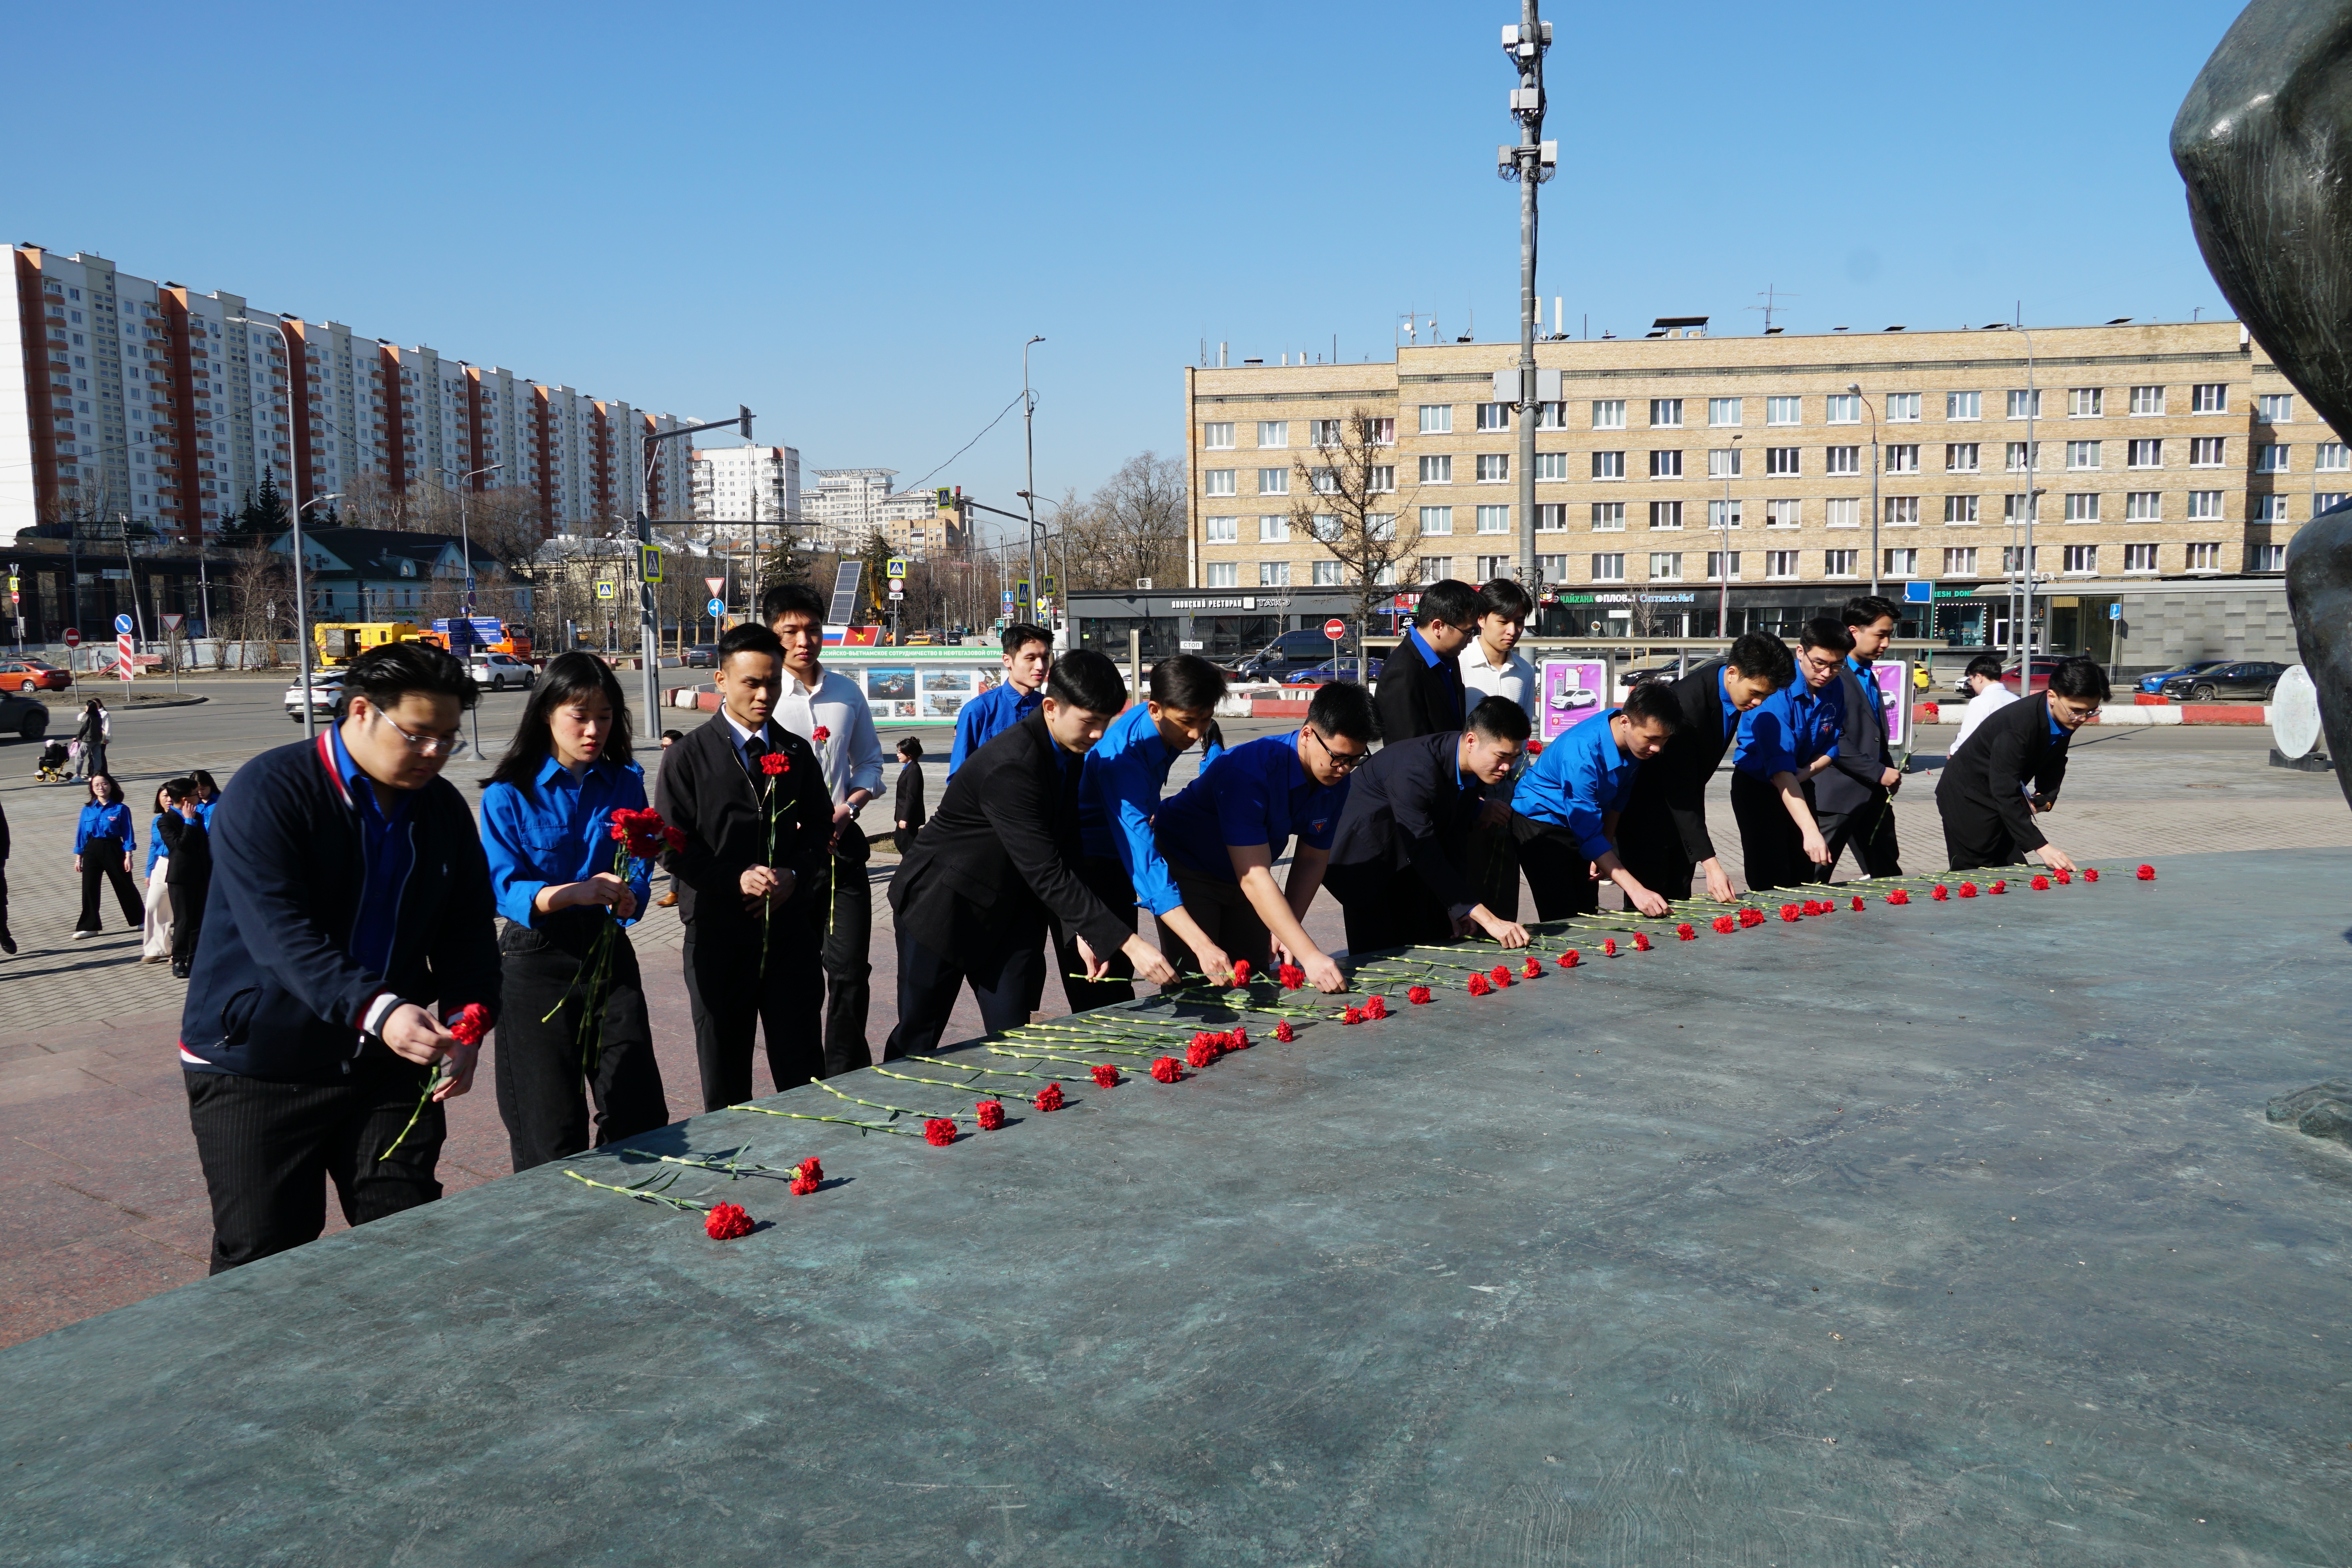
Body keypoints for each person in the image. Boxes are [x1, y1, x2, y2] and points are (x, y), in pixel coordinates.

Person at [178, 641, 499, 1274]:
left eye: (449, 739)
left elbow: (467, 931)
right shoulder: (270, 792)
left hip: (383, 1064)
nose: (435, 752)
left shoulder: (441, 810)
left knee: (407, 1235)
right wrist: (380, 1011)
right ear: (360, 712)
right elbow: (281, 937)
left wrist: (469, 1022)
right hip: (258, 1064)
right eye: (419, 734)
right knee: (265, 1256)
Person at [882, 649, 1176, 1060]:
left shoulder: (1068, 751)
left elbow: (1067, 844)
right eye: (1089, 722)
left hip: (1009, 911)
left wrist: (1083, 930)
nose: (1097, 735)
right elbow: (1048, 870)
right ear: (1051, 707)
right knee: (919, 1032)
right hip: (943, 906)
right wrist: (1128, 942)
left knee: (1014, 1034)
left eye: (1105, 724)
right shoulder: (1014, 764)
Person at [477, 652, 668, 1171]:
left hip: (607, 952)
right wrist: (570, 893)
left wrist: (631, 894)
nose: (593, 730)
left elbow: (641, 855)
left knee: (638, 1109)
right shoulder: (507, 794)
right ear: (546, 714)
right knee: (550, 1128)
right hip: (535, 959)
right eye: (579, 716)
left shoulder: (624, 780)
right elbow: (502, 886)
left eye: (604, 716)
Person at [657, 624, 834, 1112]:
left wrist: (795, 875)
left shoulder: (795, 751)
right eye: (751, 683)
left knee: (802, 1070)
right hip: (718, 936)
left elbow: (820, 827)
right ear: (721, 680)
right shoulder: (688, 757)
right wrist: (732, 879)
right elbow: (672, 847)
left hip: (788, 935)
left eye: (772, 682)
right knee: (726, 1074)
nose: (763, 694)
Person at [1151, 680, 1371, 994]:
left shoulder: (1335, 779)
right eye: (1339, 758)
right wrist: (1310, 954)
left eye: (1355, 760)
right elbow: (1253, 876)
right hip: (1190, 865)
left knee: (1253, 974)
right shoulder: (1250, 771)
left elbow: (1312, 859)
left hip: (1247, 874)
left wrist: (1288, 929)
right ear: (1308, 734)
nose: (1345, 770)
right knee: (1199, 982)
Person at [765, 583, 887, 1077]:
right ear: (774, 635)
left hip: (843, 845)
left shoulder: (846, 693)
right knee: (796, 975)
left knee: (851, 969)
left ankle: (846, 1066)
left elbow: (872, 764)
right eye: (790, 631)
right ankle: (802, 1071)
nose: (803, 641)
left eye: (812, 629)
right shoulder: (766, 697)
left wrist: (850, 807)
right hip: (790, 852)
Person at [1062, 653, 1229, 1010]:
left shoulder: (1167, 722)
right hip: (1087, 865)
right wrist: (1203, 946)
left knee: (1120, 978)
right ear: (1154, 710)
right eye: (1187, 722)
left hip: (1120, 853)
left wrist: (1211, 745)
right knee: (1103, 992)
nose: (1195, 732)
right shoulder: (1123, 761)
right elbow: (1147, 867)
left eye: (1205, 719)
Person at [1325, 695, 1533, 954]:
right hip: (1367, 865)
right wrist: (1486, 918)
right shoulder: (1417, 769)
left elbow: (1454, 837)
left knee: (1430, 945)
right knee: (1381, 960)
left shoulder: (1475, 767)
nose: (1507, 767)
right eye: (1501, 756)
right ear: (1472, 741)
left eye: (1514, 757)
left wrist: (1458, 905)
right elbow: (1425, 851)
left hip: (1408, 862)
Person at [1614, 632, 1795, 902]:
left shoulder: (1726, 689)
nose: (1758, 703)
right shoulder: (1686, 710)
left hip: (1681, 823)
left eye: (1766, 697)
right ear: (1733, 673)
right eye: (1756, 693)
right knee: (1651, 910)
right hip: (1646, 822)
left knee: (1679, 904)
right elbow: (1679, 790)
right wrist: (1711, 865)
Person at [1507, 682, 1683, 918]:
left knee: (1587, 911)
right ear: (1625, 722)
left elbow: (1619, 799)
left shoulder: (1631, 741)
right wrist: (1637, 891)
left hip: (1582, 823)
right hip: (1541, 824)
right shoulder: (1582, 754)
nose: (1657, 748)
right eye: (1652, 738)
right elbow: (1587, 832)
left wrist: (1605, 847)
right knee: (1563, 917)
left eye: (1665, 740)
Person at [1936, 656, 2108, 872]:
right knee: (1977, 873)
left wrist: (2045, 797)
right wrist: (2042, 847)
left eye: (2091, 711)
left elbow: (2055, 760)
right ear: (2052, 696)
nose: (2082, 718)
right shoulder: (2018, 726)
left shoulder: (2063, 717)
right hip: (1966, 798)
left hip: (1997, 795)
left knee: (2013, 871)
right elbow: (2004, 790)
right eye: (2077, 710)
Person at [1729, 618, 1851, 892]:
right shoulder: (1776, 689)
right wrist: (1811, 832)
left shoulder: (1835, 687)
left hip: (1799, 781)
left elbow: (1831, 746)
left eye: (1836, 665)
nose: (1827, 673)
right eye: (1819, 663)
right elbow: (1779, 767)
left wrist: (1805, 773)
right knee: (1772, 879)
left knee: (1804, 875)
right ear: (1800, 652)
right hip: (1760, 789)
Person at [1814, 594, 1905, 880]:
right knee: (1813, 878)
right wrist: (1878, 772)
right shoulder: (1831, 676)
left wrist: (1889, 771)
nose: (1886, 644)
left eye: (1889, 636)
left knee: (1888, 876)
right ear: (1854, 631)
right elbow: (1832, 735)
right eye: (1880, 635)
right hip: (1836, 798)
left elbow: (1874, 733)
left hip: (1874, 796)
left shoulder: (1868, 673)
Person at [1373, 579, 1476, 742]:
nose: (1470, 640)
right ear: (1438, 627)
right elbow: (1406, 751)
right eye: (1468, 632)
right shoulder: (1402, 672)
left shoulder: (1448, 658)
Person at [946, 622, 1051, 775]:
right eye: (1031, 658)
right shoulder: (979, 711)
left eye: (1045, 658)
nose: (1040, 666)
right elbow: (959, 777)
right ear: (1007, 660)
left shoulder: (1049, 709)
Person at [72, 773, 140, 938]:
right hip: (92, 849)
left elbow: (128, 833)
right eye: (97, 785)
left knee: (124, 884)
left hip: (113, 848)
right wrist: (78, 857)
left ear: (111, 786)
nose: (101, 788)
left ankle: (140, 919)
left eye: (104, 784)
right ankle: (90, 926)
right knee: (89, 888)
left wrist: (128, 855)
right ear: (92, 789)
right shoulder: (87, 809)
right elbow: (81, 833)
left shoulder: (121, 808)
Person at [159, 778, 212, 980]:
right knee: (184, 921)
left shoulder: (198, 817)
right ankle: (180, 959)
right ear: (185, 798)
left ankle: (196, 957)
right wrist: (188, 822)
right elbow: (181, 847)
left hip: (201, 875)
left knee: (199, 919)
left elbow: (202, 848)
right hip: (180, 878)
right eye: (194, 793)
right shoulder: (166, 821)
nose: (198, 796)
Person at [1950, 654, 2020, 755]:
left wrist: (1953, 752)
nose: (1972, 684)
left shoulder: (1980, 702)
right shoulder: (2016, 700)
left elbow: (1966, 737)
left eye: (1971, 679)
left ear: (1979, 677)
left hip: (1987, 760)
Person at [141, 782, 176, 962]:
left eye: (171, 796)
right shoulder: (157, 821)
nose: (169, 799)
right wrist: (149, 871)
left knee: (179, 910)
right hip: (161, 865)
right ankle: (157, 948)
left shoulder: (185, 817)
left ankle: (179, 950)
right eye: (165, 796)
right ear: (159, 800)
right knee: (153, 906)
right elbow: (154, 846)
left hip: (180, 865)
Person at [654, 731, 684, 908]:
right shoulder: (667, 762)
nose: (665, 750)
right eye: (663, 746)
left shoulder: (684, 762)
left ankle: (676, 892)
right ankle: (675, 891)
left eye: (668, 746)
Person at [892, 736, 926, 854]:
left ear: (910, 754)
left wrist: (905, 819)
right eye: (898, 752)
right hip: (903, 815)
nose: (898, 755)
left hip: (909, 818)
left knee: (908, 848)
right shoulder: (909, 768)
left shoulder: (914, 770)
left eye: (901, 752)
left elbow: (912, 797)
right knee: (900, 842)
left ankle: (910, 870)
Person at [74, 698, 110, 780]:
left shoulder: (88, 716)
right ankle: (97, 775)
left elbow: (83, 728)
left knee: (79, 757)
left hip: (88, 740)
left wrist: (78, 738)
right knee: (97, 758)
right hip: (98, 740)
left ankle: (77, 776)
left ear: (88, 707)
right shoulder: (99, 716)